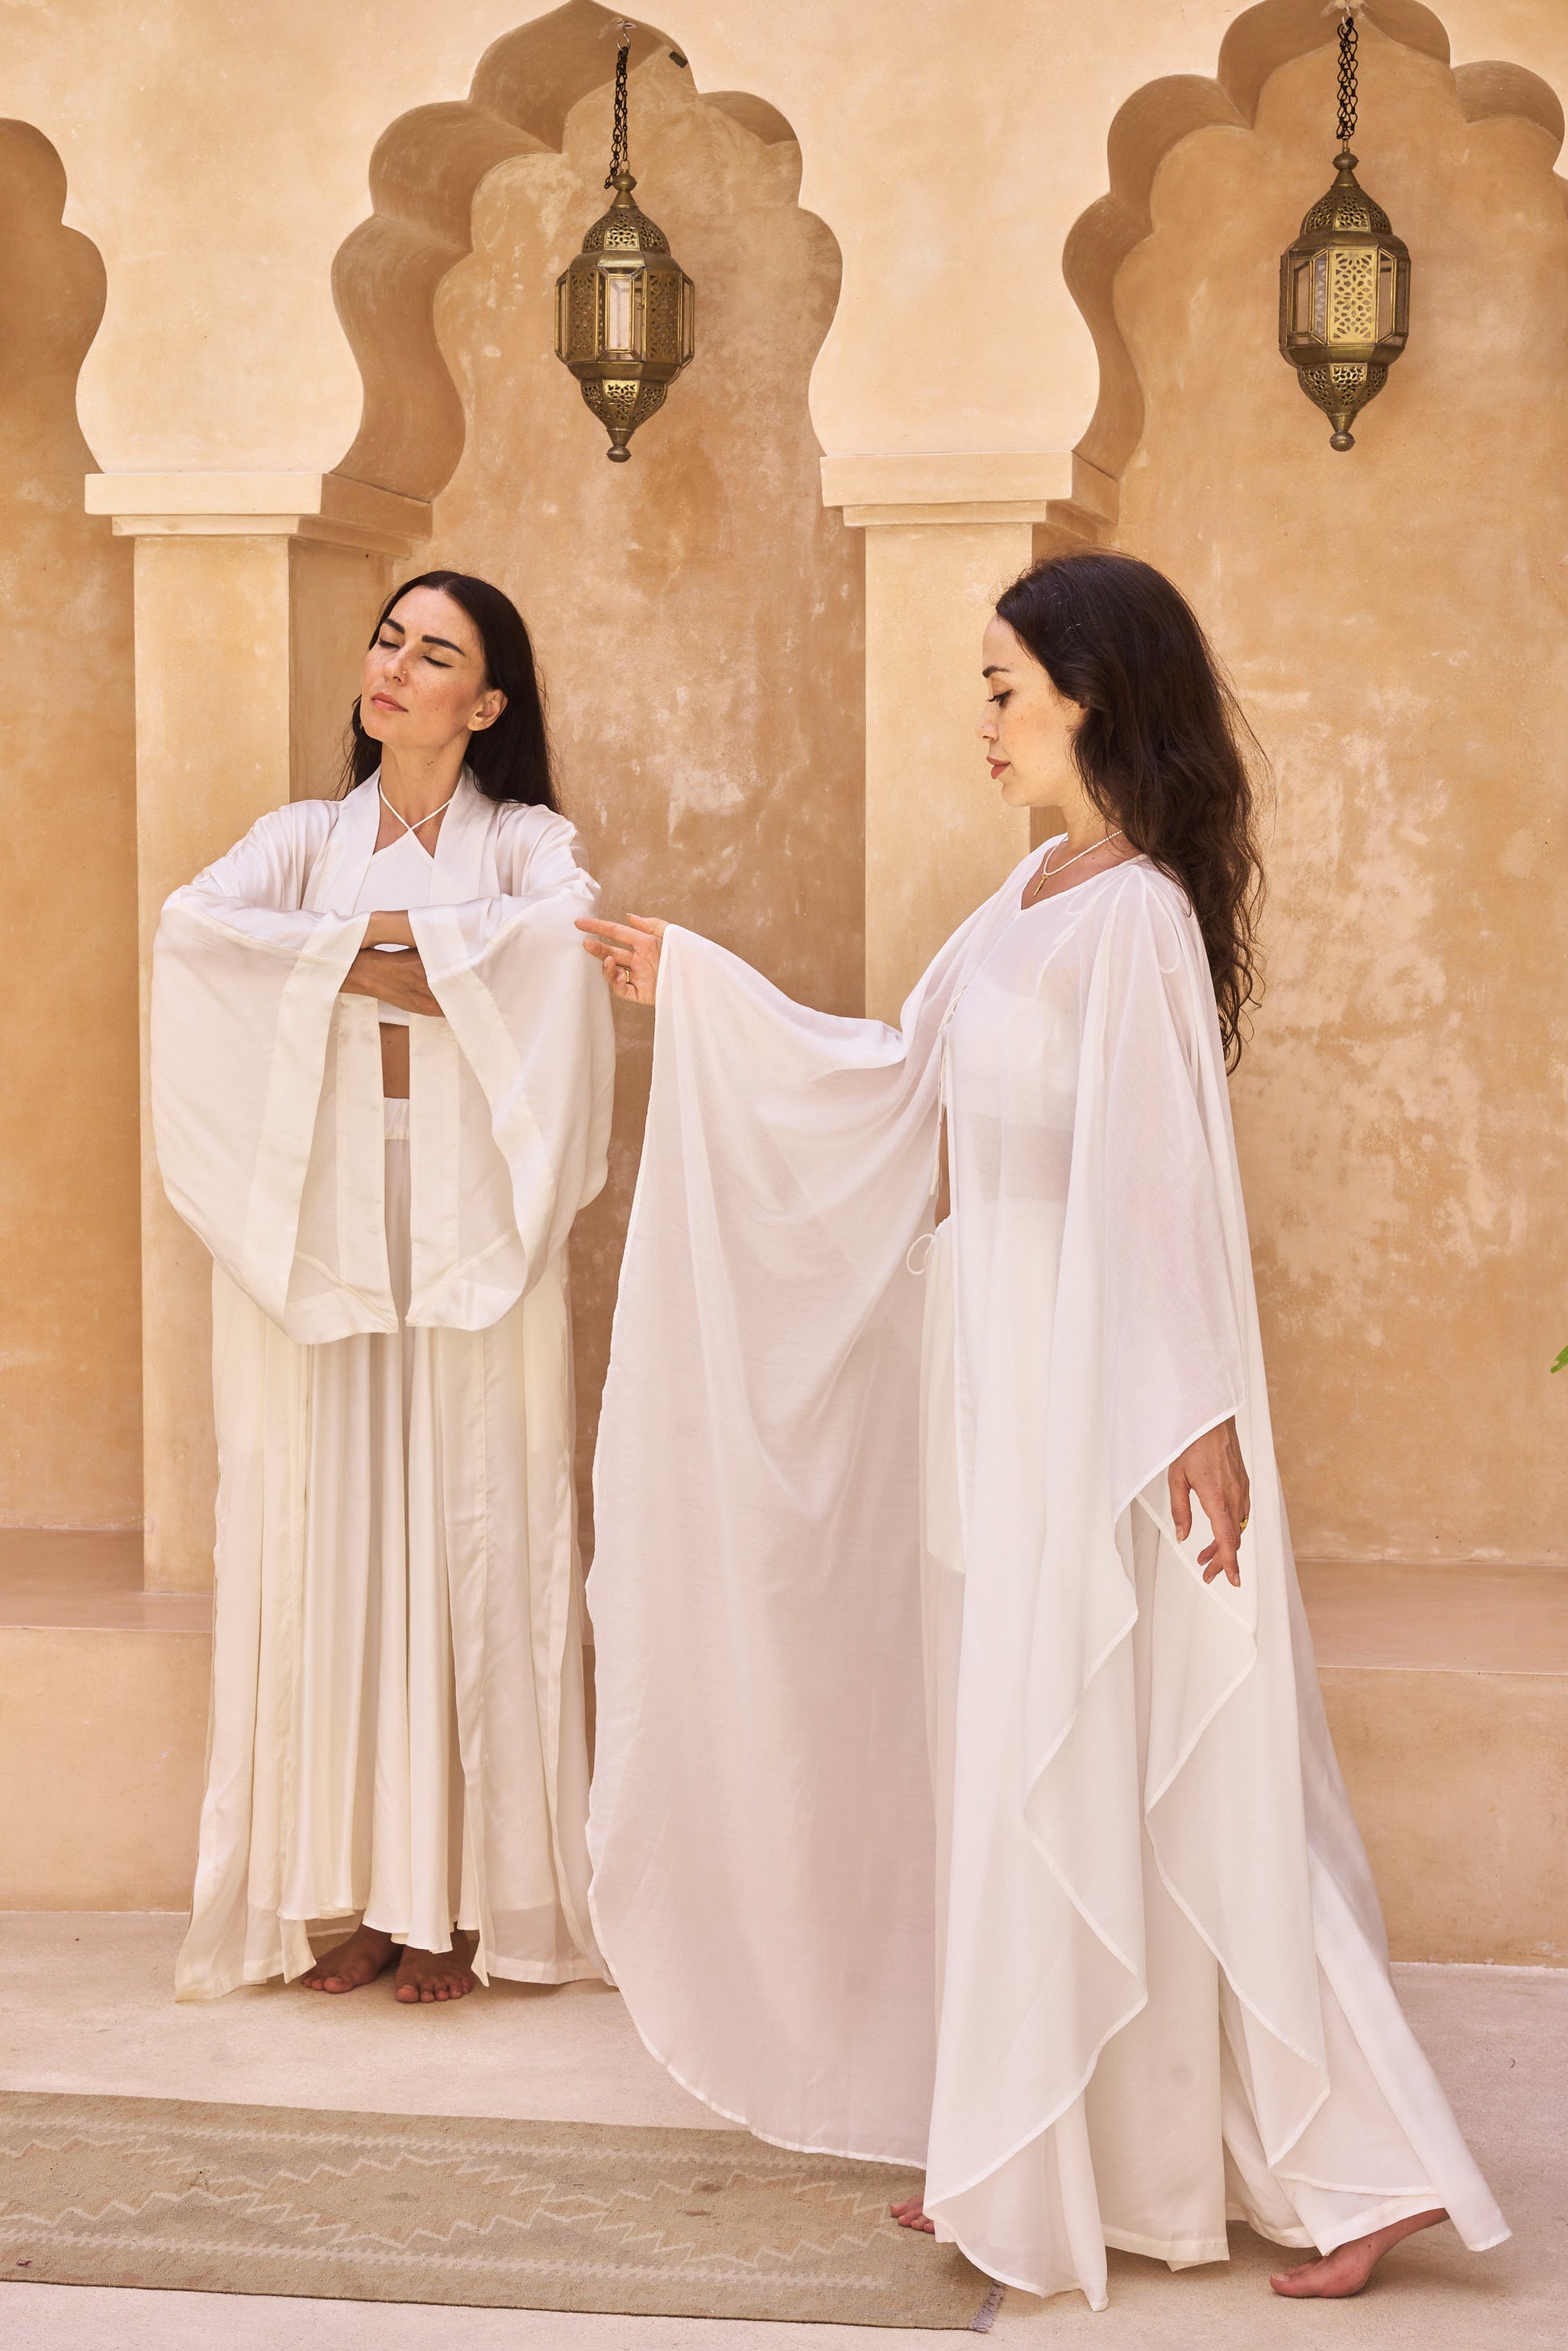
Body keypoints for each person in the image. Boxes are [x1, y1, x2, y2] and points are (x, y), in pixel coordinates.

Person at [577, 551, 1506, 2307]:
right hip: (993, 1382)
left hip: (1105, 1393)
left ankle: (1358, 2163)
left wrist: (1197, 1427)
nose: (982, 716)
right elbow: (890, 1075)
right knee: (1017, 1757)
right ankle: (1025, 2135)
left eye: (1004, 685)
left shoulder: (1137, 913)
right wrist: (692, 987)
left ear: (1089, 691)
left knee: (1181, 1756)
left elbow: (1160, 1182)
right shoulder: (1026, 897)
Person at [154, 570, 613, 2005]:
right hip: (316, 1223)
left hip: (476, 1218)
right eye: (385, 640)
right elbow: (194, 937)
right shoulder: (300, 840)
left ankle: (465, 1906)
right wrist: (414, 956)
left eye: (434, 653)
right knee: (328, 1528)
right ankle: (352, 1891)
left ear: (486, 703)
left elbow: (558, 963)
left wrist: (342, 964)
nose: (393, 667)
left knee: (473, 1521)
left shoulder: (531, 843)